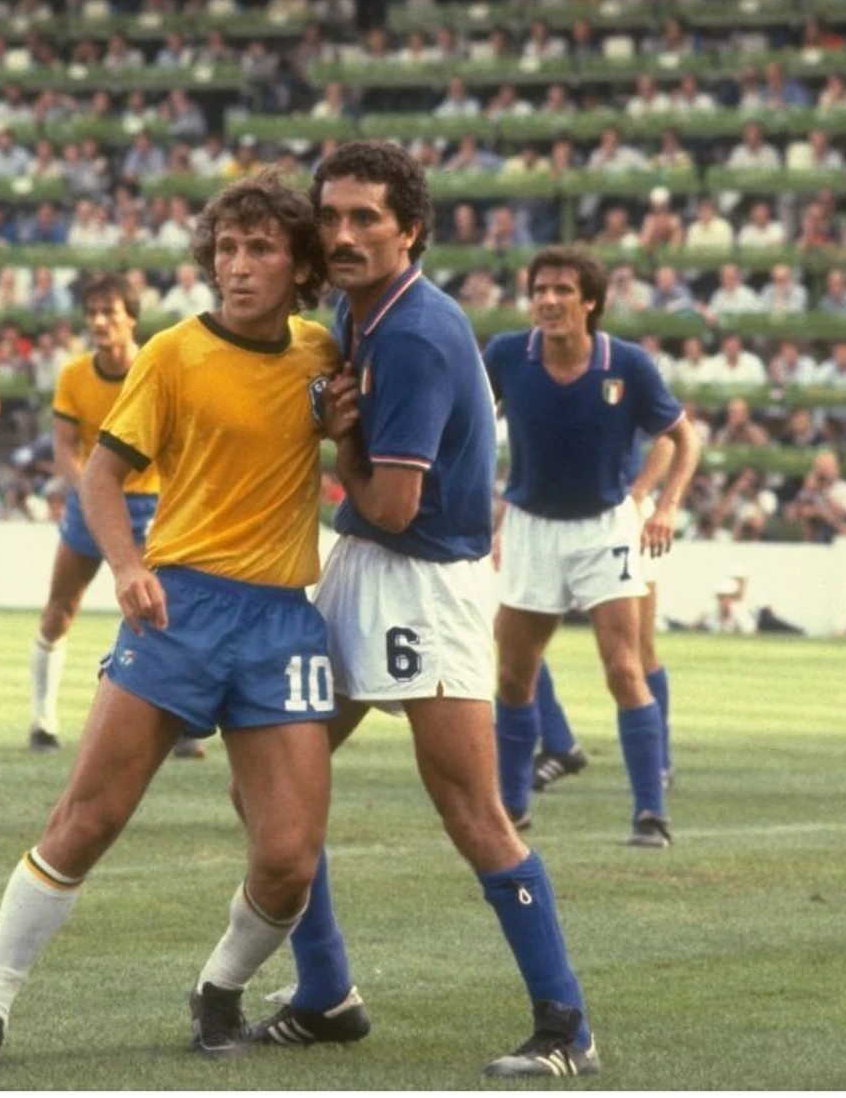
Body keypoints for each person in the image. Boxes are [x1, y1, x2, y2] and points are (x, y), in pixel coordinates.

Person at [0, 172, 344, 1071]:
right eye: (227, 249)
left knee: (289, 858)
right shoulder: (171, 354)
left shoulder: (323, 354)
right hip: (179, 607)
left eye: (262, 249)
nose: (239, 266)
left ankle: (220, 987)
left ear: (300, 266)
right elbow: (100, 474)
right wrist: (126, 566)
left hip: (282, 622)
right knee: (85, 820)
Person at [251, 141, 597, 1079]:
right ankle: (326, 993)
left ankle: (566, 1024)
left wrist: (337, 443)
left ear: (409, 229)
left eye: (365, 218)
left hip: (421, 582)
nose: (344, 234)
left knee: (472, 809)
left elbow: (395, 503)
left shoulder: (410, 332)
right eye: (331, 217)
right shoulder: (359, 309)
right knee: (273, 782)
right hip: (365, 564)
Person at [486, 245, 700, 854]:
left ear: (590, 303)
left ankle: (650, 813)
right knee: (514, 676)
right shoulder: (506, 355)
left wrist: (665, 505)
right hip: (531, 528)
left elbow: (683, 438)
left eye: (562, 291)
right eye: (539, 290)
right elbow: (468, 421)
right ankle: (513, 807)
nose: (548, 301)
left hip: (604, 529)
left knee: (624, 668)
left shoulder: (626, 364)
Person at [28, 273, 206, 755]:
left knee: (162, 614)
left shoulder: (158, 367)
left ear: (131, 319)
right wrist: (90, 492)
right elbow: (65, 449)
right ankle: (43, 722)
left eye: (109, 312)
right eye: (92, 314)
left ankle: (180, 725)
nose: (99, 322)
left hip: (150, 505)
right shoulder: (74, 375)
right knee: (60, 607)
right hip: (91, 500)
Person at [530, 436, 681, 798]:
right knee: (517, 641)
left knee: (637, 652)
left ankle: (657, 763)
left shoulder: (627, 391)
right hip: (552, 514)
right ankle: (558, 744)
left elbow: (670, 438)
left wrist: (641, 494)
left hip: (618, 517)